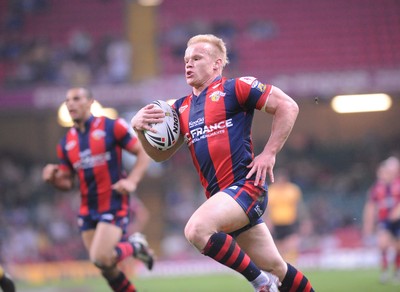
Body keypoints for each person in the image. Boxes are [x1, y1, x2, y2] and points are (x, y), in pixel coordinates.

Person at [131, 34, 314, 292]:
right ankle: (273, 281)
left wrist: (269, 153)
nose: (188, 64)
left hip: (246, 188)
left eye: (196, 58)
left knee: (196, 230)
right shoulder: (180, 109)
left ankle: (260, 284)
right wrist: (140, 131)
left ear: (217, 64)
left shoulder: (236, 88)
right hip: (223, 199)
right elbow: (160, 156)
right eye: (186, 60)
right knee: (277, 267)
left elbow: (288, 106)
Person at [42, 87, 153, 292]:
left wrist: (132, 181)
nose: (70, 104)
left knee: (100, 256)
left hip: (113, 200)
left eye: (76, 99)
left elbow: (143, 153)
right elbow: (67, 184)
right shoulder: (66, 143)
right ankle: (135, 251)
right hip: (87, 208)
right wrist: (52, 179)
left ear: (90, 102)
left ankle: (136, 246)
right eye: (67, 100)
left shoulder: (111, 127)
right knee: (105, 267)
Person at [363, 156, 400, 283]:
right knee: (382, 244)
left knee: (398, 247)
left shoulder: (398, 185)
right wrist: (368, 224)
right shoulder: (376, 189)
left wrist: (397, 211)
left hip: (398, 221)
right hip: (384, 220)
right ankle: (384, 271)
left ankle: (396, 271)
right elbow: (371, 206)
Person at [263, 168, 308, 264]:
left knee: (292, 244)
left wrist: (305, 221)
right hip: (276, 223)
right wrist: (267, 221)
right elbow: (267, 209)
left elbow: (299, 206)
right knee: (278, 247)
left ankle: (292, 264)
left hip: (290, 222)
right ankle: (282, 265)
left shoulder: (293, 190)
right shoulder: (271, 190)